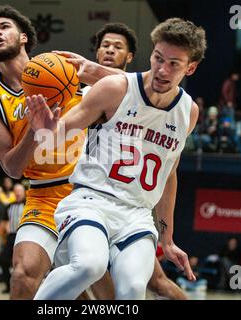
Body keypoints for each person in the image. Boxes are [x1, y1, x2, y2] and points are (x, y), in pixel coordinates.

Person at [28, 17, 206, 299]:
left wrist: (167, 237)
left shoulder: (188, 112)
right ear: (151, 53)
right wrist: (47, 130)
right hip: (91, 200)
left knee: (134, 289)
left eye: (174, 64)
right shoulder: (116, 88)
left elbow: (169, 173)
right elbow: (64, 127)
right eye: (158, 58)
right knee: (89, 266)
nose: (162, 69)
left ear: (191, 68)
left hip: (137, 214)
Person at [0, 5, 121, 299]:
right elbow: (12, 168)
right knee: (23, 274)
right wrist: (34, 128)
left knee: (106, 294)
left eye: (3, 27)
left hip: (88, 192)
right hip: (43, 196)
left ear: (24, 36)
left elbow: (124, 90)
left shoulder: (63, 67)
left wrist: (96, 72)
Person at [79, 22, 186, 300]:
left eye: (117, 46)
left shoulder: (137, 92)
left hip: (126, 202)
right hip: (85, 194)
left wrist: (167, 234)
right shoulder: (82, 93)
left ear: (130, 57)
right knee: (81, 270)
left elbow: (170, 170)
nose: (109, 50)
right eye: (105, 45)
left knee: (156, 283)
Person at [0, 183, 26, 293]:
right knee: (3, 260)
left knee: (23, 263)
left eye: (19, 191)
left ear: (24, 192)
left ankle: (24, 287)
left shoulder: (29, 204)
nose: (17, 193)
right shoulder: (9, 206)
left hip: (24, 236)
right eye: (16, 191)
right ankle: (8, 285)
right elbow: (3, 223)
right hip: (11, 236)